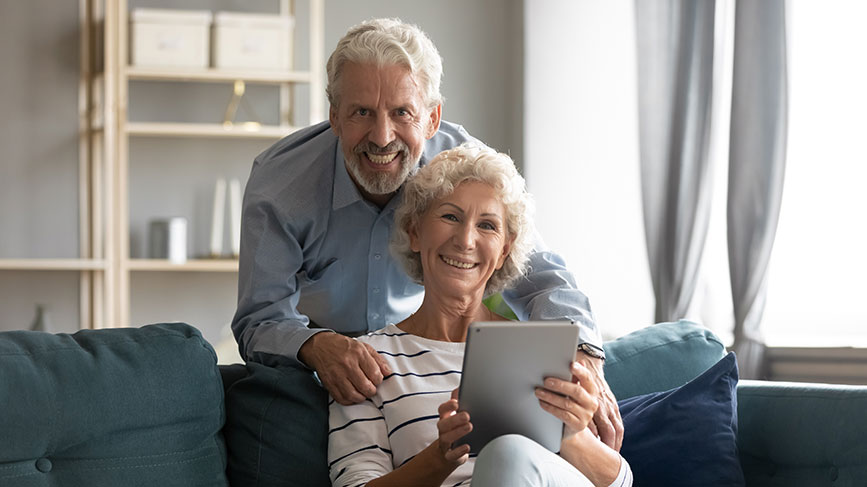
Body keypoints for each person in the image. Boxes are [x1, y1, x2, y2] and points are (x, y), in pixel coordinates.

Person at [231, 17, 623, 449]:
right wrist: (315, 345)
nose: (382, 137)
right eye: (362, 112)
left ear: (433, 117)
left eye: (402, 113)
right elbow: (261, 319)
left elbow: (543, 278)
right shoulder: (279, 186)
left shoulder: (466, 171)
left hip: (425, 361)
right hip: (320, 367)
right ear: (335, 117)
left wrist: (585, 358)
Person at [328, 144, 632, 487]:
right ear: (415, 232)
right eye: (450, 217)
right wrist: (439, 458)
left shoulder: (540, 351)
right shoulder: (367, 362)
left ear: (504, 250)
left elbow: (620, 482)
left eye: (487, 225)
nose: (466, 240)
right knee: (507, 453)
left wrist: (571, 436)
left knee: (510, 453)